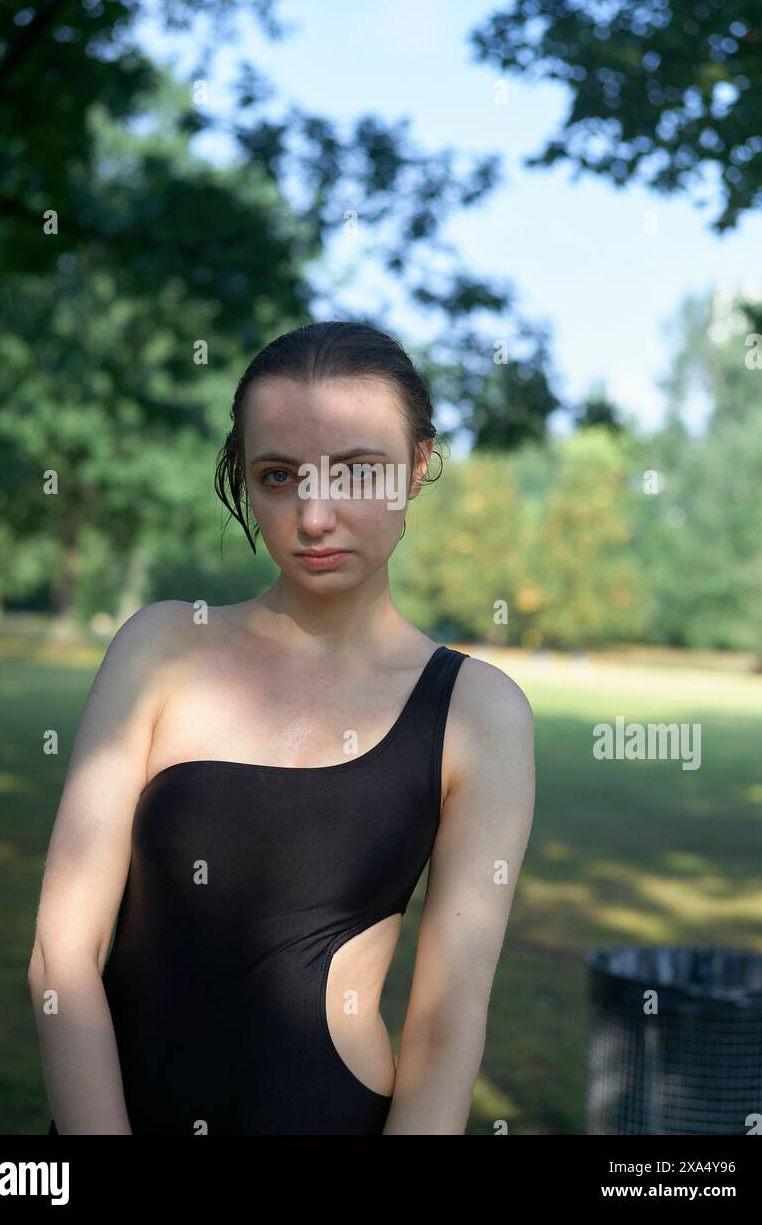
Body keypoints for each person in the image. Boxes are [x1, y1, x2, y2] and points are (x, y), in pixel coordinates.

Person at [29, 319, 535, 1135]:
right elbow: (61, 954)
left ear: (417, 467)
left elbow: (445, 1025)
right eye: (278, 475)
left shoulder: (478, 712)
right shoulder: (162, 647)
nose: (313, 515)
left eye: (359, 473)